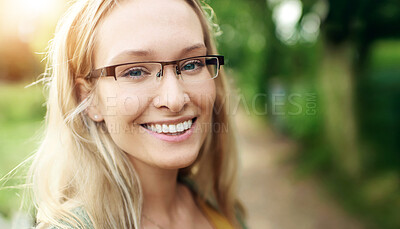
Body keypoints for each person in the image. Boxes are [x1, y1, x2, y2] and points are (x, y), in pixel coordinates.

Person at [29, 0, 246, 228]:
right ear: (88, 98)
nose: (174, 100)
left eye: (191, 64)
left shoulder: (222, 210)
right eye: (135, 71)